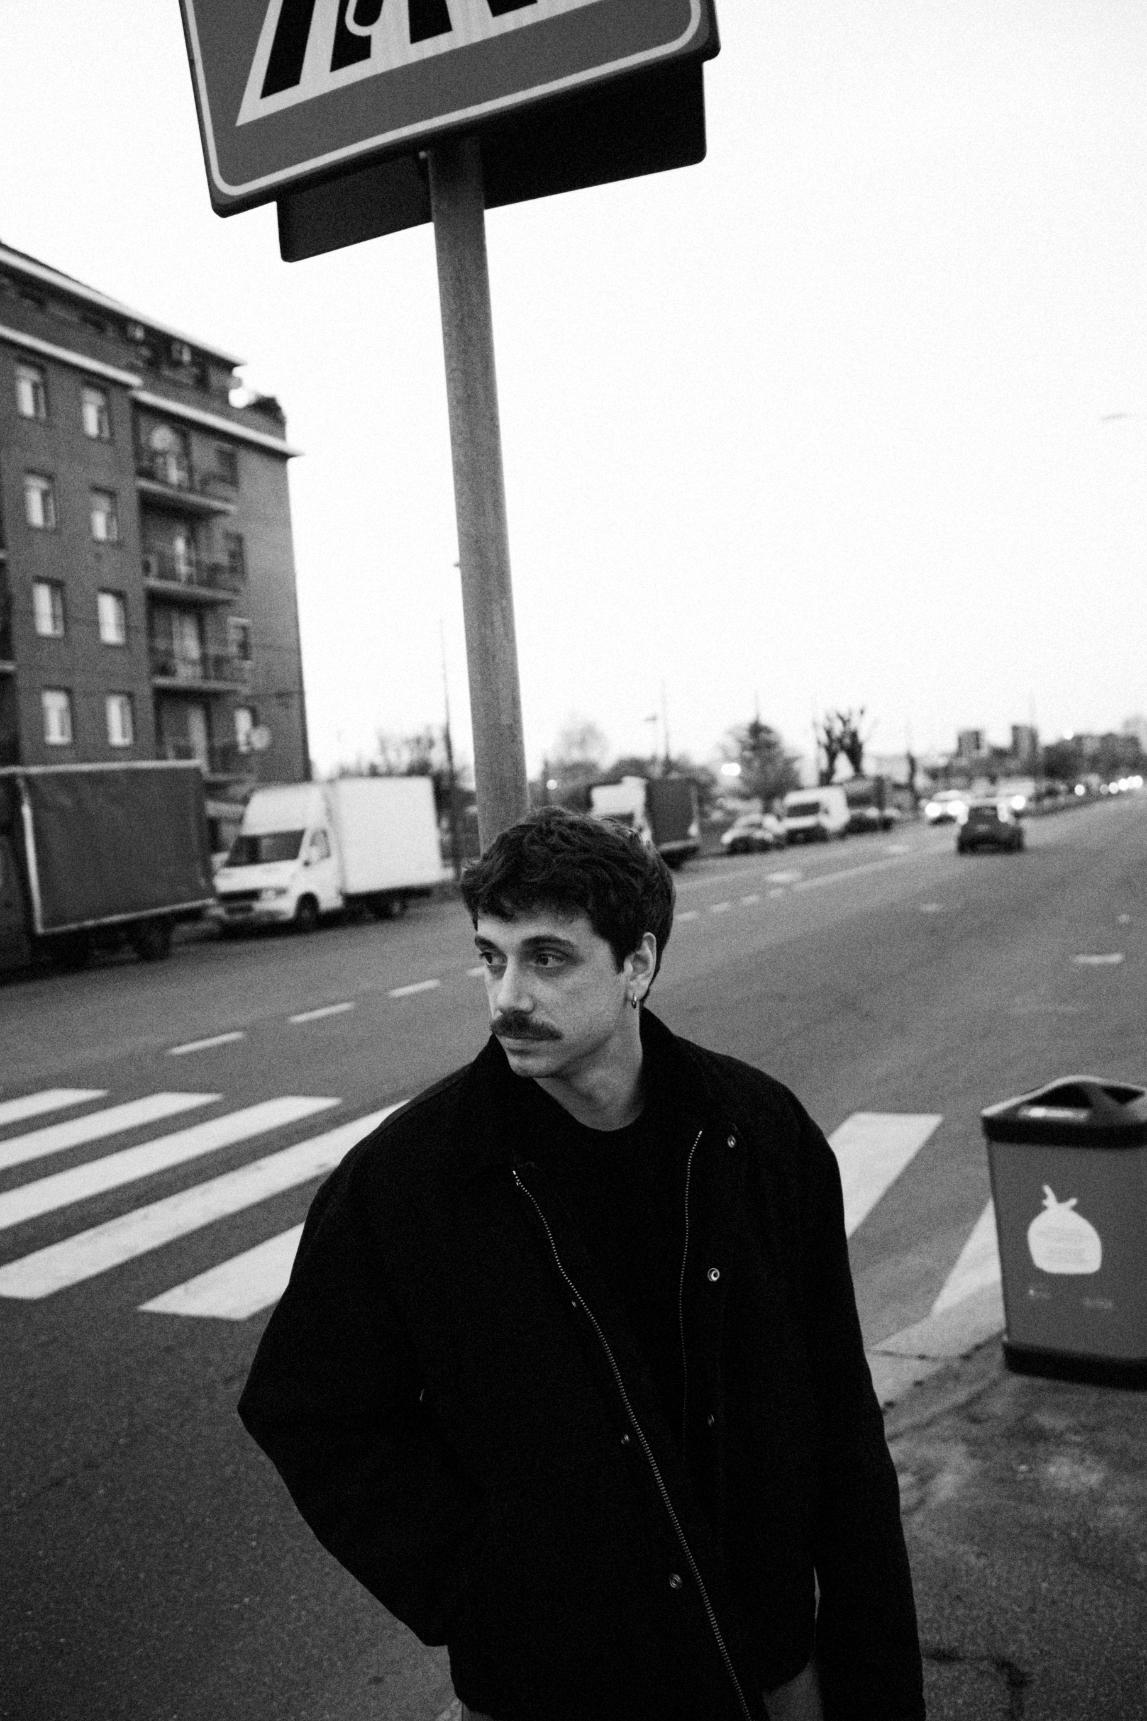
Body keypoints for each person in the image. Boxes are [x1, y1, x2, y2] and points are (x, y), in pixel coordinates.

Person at [238, 807, 926, 1721]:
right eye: (491, 957)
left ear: (637, 964)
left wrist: (875, 1680)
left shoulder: (757, 1134)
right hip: (553, 1689)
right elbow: (308, 1407)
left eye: (547, 958)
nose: (506, 996)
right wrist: (484, 1592)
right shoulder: (414, 1178)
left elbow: (838, 1418)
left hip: (764, 1665)